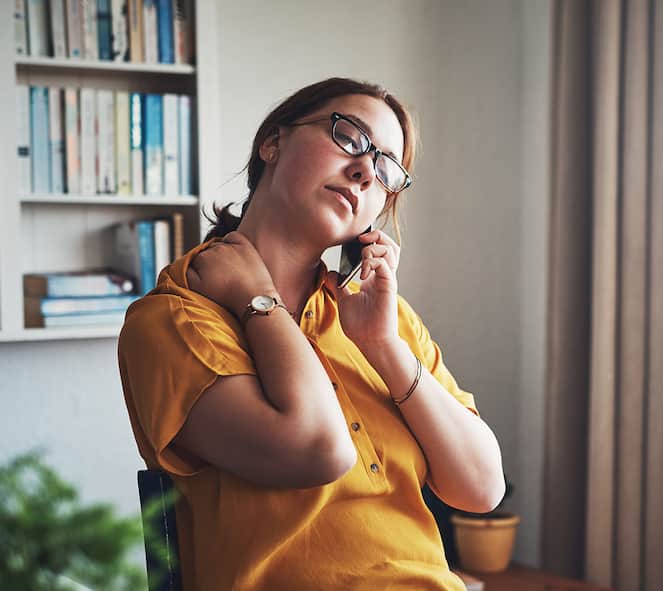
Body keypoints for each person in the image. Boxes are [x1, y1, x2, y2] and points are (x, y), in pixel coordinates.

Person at [118, 77, 505, 590]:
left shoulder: (381, 318)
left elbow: (481, 489)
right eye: (348, 136)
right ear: (272, 142)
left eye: (387, 167)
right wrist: (259, 301)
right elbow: (319, 449)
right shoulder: (176, 319)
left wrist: (383, 346)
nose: (367, 170)